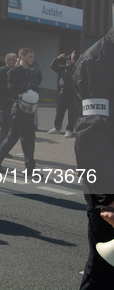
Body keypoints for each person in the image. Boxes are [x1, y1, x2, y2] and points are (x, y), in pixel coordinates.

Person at [73, 27, 114, 289]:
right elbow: (91, 135)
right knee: (104, 269)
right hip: (108, 183)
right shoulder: (97, 61)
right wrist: (107, 200)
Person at [0, 48, 39, 175]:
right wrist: (26, 86)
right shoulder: (14, 72)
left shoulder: (31, 72)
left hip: (29, 110)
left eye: (33, 57)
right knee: (11, 138)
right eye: (30, 56)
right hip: (18, 109)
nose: (33, 59)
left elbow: (35, 88)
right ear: (22, 57)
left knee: (29, 139)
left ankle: (30, 169)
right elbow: (12, 89)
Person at [47, 51, 77, 138]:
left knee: (71, 113)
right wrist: (57, 59)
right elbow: (53, 66)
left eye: (69, 61)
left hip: (71, 94)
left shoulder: (74, 68)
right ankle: (57, 128)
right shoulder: (63, 69)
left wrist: (73, 61)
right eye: (66, 61)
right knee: (59, 111)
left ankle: (69, 130)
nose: (68, 63)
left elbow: (76, 69)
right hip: (62, 93)